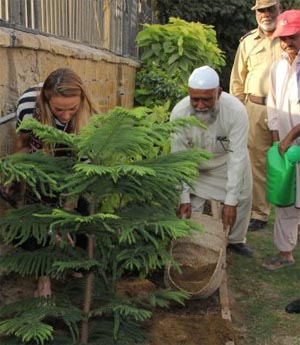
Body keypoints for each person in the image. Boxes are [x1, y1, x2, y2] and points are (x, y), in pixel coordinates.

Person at [10, 68, 98, 297]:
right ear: (47, 100)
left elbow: (83, 169)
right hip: (38, 162)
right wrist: (16, 180)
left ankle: (76, 269)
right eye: (59, 109)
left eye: (72, 109)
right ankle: (43, 278)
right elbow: (22, 148)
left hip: (72, 164)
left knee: (80, 215)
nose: (67, 116)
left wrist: (66, 213)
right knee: (35, 217)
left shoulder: (87, 114)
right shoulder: (29, 105)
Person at [170, 65, 253, 258]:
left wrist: (230, 202)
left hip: (227, 162)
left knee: (243, 196)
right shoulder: (179, 113)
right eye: (195, 99)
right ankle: (192, 243)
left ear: (219, 93)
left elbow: (237, 156)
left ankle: (235, 240)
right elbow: (178, 159)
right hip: (195, 166)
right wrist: (183, 197)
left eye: (206, 99)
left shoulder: (236, 111)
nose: (200, 105)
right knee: (190, 206)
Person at [230, 0, 282, 231]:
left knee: (292, 158)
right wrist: (240, 112)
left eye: (271, 9)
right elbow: (237, 81)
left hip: (288, 110)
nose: (266, 14)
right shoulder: (247, 42)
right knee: (256, 164)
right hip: (255, 108)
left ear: (280, 9)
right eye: (262, 10)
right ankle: (260, 213)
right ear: (256, 13)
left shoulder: (292, 36)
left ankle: (293, 215)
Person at [261, 9, 300, 312]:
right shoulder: (276, 68)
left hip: (295, 142)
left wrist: (287, 140)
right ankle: (284, 252)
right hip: (286, 145)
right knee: (284, 196)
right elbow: (273, 104)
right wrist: (277, 139)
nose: (287, 42)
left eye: (292, 36)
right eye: (283, 37)